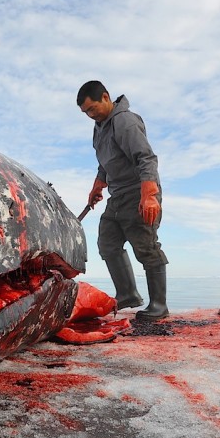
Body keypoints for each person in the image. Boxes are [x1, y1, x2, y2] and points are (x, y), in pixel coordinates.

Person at [76, 81, 168, 320]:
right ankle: (127, 293)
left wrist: (149, 195)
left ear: (106, 97)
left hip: (138, 192)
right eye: (85, 112)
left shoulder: (124, 121)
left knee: (146, 246)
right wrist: (98, 184)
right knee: (107, 243)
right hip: (117, 196)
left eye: (92, 108)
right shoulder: (100, 126)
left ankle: (159, 305)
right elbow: (105, 161)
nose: (90, 115)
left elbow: (146, 157)